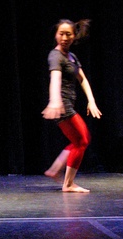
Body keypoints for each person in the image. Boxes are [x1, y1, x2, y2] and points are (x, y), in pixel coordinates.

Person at [42, 19, 102, 192]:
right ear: (56, 35)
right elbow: (55, 78)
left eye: (68, 34)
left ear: (74, 36)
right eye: (61, 34)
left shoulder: (72, 57)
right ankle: (68, 184)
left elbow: (82, 79)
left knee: (78, 141)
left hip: (67, 105)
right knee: (82, 140)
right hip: (62, 106)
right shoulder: (55, 55)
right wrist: (54, 100)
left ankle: (55, 170)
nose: (64, 38)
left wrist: (91, 100)